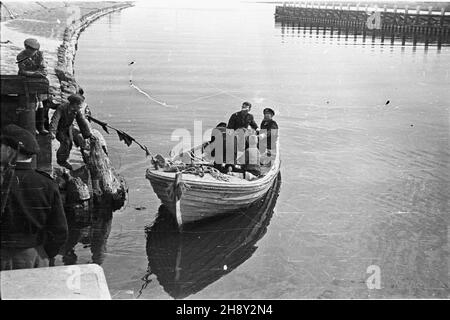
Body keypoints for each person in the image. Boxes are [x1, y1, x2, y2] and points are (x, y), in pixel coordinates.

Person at [0, 124, 68, 270]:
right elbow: (60, 231)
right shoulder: (47, 184)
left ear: (10, 151)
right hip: (35, 257)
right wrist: (43, 254)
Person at [49, 94, 93, 170]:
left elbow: (81, 122)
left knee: (70, 143)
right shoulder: (61, 108)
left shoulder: (76, 111)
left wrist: (88, 134)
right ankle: (61, 161)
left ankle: (64, 158)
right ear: (74, 104)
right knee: (66, 142)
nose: (81, 107)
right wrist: (52, 131)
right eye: (79, 105)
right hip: (60, 129)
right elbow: (55, 120)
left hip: (68, 128)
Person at [17, 38, 49, 135]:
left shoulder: (40, 54)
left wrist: (32, 73)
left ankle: (41, 127)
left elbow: (44, 71)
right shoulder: (20, 56)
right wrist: (36, 73)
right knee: (30, 104)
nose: (34, 52)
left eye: (35, 50)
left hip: (39, 83)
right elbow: (22, 72)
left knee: (41, 104)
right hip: (26, 83)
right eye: (32, 50)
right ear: (26, 48)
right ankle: (32, 127)